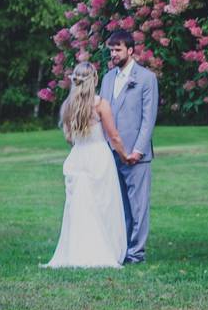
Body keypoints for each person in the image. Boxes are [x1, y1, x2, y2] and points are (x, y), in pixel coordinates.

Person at [44, 62, 129, 268]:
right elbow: (114, 136)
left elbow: (69, 138)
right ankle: (103, 250)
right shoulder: (100, 104)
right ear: (95, 79)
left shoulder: (67, 106)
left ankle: (76, 251)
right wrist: (125, 156)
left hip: (78, 157)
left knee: (78, 207)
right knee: (103, 206)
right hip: (98, 157)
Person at [100, 31, 159, 264]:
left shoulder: (146, 78)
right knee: (118, 205)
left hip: (136, 155)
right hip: (110, 153)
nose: (113, 54)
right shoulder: (107, 79)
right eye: (111, 50)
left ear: (131, 50)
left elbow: (148, 118)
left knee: (138, 206)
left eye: (118, 50)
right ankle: (120, 249)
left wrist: (138, 151)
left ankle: (136, 253)